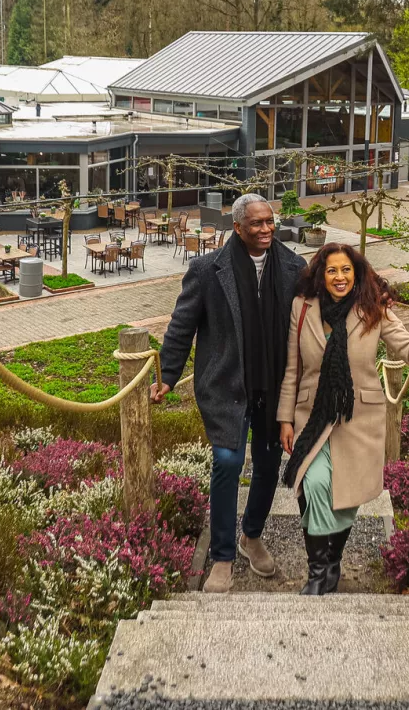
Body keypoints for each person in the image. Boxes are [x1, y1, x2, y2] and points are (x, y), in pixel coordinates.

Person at [153, 193, 304, 593]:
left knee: (270, 466)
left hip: (274, 387)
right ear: (237, 227)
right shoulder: (206, 270)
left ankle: (251, 536)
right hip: (225, 386)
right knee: (227, 462)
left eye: (270, 221)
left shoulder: (293, 267)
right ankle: (221, 555)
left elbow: (329, 303)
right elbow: (182, 325)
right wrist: (168, 375)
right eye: (257, 223)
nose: (266, 229)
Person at [278, 243, 409, 594]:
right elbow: (293, 367)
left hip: (359, 417)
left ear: (356, 273)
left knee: (347, 495)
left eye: (346, 270)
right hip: (313, 416)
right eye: (332, 271)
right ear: (321, 275)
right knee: (314, 484)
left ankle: (332, 561)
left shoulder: (374, 306)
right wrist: (285, 420)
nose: (339, 277)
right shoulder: (302, 307)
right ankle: (317, 571)